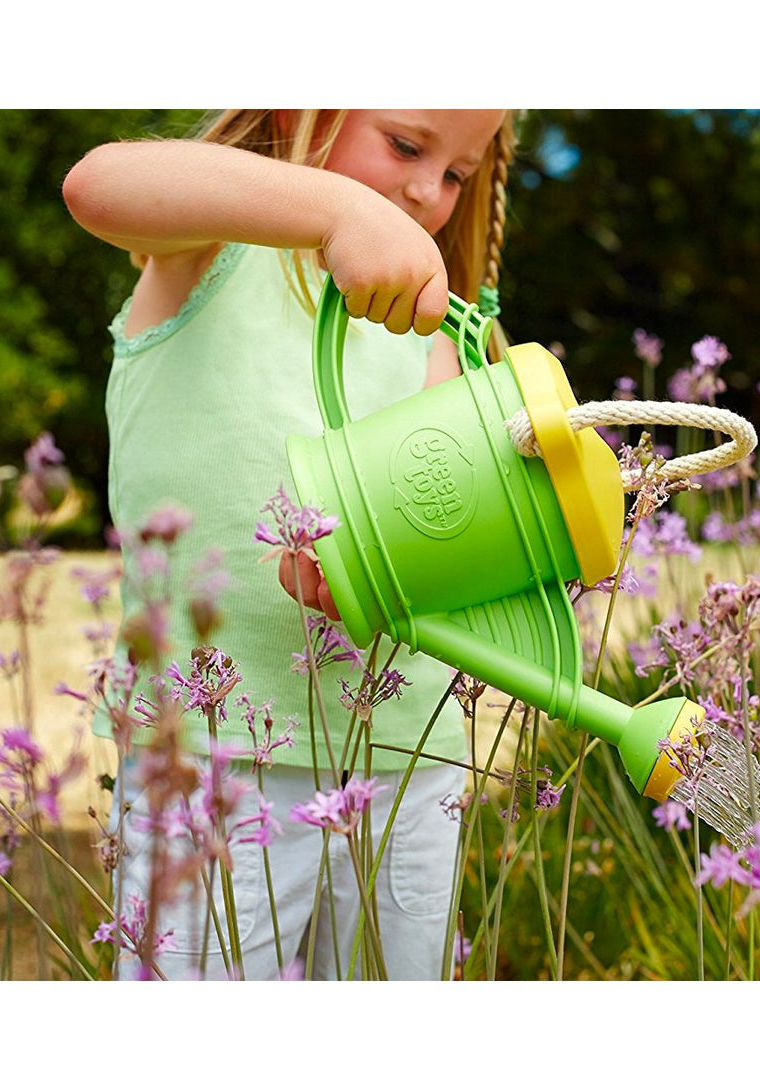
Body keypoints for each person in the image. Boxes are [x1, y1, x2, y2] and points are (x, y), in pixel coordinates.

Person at [63, 110, 517, 980]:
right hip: (208, 751)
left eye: (459, 174)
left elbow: (450, 523)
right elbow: (97, 186)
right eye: (408, 146)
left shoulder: (432, 329)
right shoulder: (212, 250)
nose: (429, 192)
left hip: (406, 755)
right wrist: (336, 209)